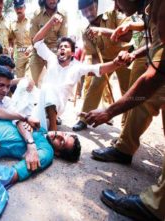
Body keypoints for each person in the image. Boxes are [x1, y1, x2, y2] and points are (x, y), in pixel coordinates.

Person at [84, 0, 165, 220]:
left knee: (142, 95)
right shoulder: (152, 7)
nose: (116, 6)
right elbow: (157, 44)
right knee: (141, 101)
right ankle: (124, 149)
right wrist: (135, 54)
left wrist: (109, 111)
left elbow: (156, 75)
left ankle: (156, 205)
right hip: (157, 66)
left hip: (160, 71)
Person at [33, 14, 128, 131]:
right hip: (42, 99)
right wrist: (51, 22)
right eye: (60, 47)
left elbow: (99, 69)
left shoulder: (77, 67)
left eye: (66, 47)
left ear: (73, 53)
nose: (62, 48)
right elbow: (36, 42)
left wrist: (116, 63)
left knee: (48, 88)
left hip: (58, 106)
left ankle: (53, 130)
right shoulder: (52, 59)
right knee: (25, 84)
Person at [72, 0, 132, 131]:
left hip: (124, 56)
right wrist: (98, 69)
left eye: (90, 8)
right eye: (84, 11)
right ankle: (84, 119)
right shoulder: (86, 32)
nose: (88, 13)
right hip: (105, 61)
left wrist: (102, 31)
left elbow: (127, 36)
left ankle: (126, 127)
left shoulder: (114, 14)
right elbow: (94, 55)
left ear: (96, 5)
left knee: (128, 92)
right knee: (95, 84)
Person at [29, 0, 67, 86]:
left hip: (54, 52)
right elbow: (34, 41)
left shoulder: (63, 14)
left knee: (55, 85)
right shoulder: (36, 14)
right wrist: (51, 22)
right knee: (31, 84)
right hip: (37, 50)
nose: (53, 1)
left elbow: (63, 40)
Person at [9, 0, 33, 78]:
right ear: (15, 9)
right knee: (19, 79)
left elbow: (37, 37)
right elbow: (11, 40)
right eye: (17, 8)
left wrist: (32, 47)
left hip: (31, 52)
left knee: (29, 77)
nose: (19, 10)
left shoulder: (32, 22)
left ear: (24, 7)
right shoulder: (12, 24)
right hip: (19, 55)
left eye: (20, 8)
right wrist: (11, 56)